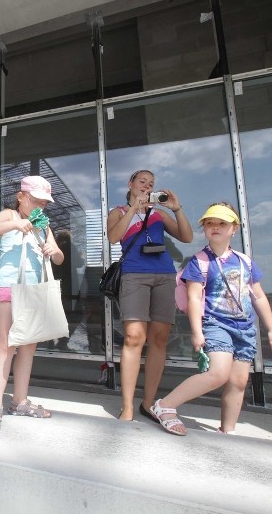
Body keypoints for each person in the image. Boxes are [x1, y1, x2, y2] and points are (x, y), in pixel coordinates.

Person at [150, 203, 272, 435]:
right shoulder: (199, 262)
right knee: (218, 373)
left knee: (238, 381)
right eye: (210, 223)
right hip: (215, 324)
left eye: (222, 223)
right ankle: (165, 405)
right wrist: (197, 331)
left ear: (234, 229)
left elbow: (259, 296)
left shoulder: (245, 262)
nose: (216, 227)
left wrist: (271, 329)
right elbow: (193, 299)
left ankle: (228, 431)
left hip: (245, 328)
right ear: (205, 230)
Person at [0, 176, 64, 434]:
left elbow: (59, 258)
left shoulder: (43, 224)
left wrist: (52, 248)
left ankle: (19, 401)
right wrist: (16, 223)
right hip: (10, 287)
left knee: (28, 346)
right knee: (7, 344)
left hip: (34, 290)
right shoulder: (7, 214)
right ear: (21, 196)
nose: (40, 206)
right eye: (35, 200)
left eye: (44, 203)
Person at [107, 170, 193, 421]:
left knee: (159, 338)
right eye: (142, 181)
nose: (147, 186)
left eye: (151, 184)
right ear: (131, 184)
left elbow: (187, 237)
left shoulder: (160, 214)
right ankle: (128, 406)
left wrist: (176, 209)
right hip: (134, 275)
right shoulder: (119, 211)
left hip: (164, 275)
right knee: (134, 337)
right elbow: (113, 237)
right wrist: (134, 209)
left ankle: (147, 403)